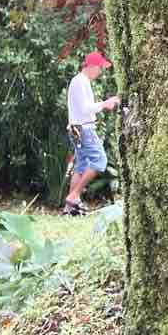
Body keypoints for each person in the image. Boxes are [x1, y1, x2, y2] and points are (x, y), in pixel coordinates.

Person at [64, 50, 119, 216]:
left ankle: (69, 209)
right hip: (84, 129)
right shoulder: (80, 82)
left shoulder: (80, 81)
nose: (100, 71)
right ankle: (73, 196)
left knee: (81, 167)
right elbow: (85, 108)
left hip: (77, 128)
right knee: (99, 161)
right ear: (92, 66)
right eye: (100, 68)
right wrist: (105, 104)